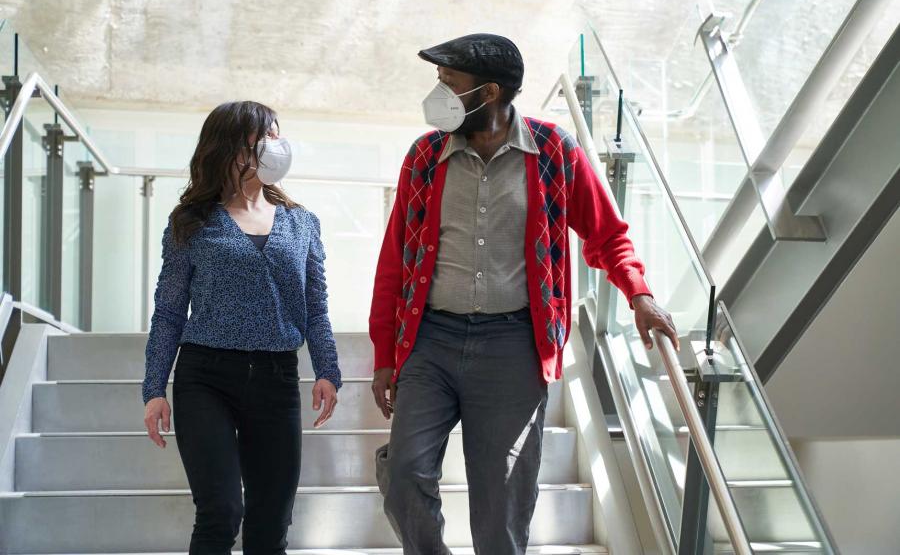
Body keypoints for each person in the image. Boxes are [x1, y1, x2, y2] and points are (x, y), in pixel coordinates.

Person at [369, 34, 679, 554]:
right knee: (404, 474)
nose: (439, 93)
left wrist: (639, 294)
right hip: (431, 341)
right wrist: (384, 354)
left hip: (513, 347)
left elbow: (606, 236)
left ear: (488, 93)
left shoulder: (556, 152)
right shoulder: (424, 157)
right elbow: (394, 261)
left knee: (503, 502)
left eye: (451, 83)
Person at [141, 101, 342, 555]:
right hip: (205, 379)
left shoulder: (302, 223)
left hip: (276, 379)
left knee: (271, 523)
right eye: (266, 136)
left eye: (278, 134)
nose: (278, 145)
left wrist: (328, 369)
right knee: (221, 511)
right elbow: (169, 312)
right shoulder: (191, 222)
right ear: (233, 147)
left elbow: (316, 308)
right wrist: (154, 388)